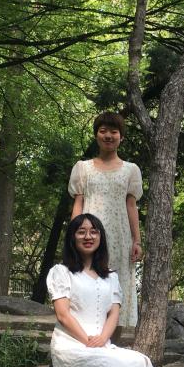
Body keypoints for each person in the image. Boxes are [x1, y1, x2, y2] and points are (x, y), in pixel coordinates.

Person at [43, 213, 159, 367]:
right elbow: (63, 314)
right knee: (112, 366)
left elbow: (114, 313)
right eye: (81, 231)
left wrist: (102, 339)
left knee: (140, 362)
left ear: (100, 237)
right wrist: (87, 340)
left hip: (100, 343)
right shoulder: (61, 272)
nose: (88, 236)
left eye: (93, 231)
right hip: (70, 343)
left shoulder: (111, 276)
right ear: (73, 237)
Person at [68, 111, 143, 329]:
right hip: (89, 236)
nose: (108, 135)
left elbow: (131, 206)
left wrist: (137, 241)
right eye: (103, 131)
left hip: (119, 239)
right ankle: (85, 334)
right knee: (87, 280)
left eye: (114, 131)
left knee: (117, 287)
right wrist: (74, 235)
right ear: (96, 135)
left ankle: (116, 338)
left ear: (121, 137)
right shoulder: (83, 168)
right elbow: (78, 203)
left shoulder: (131, 170)